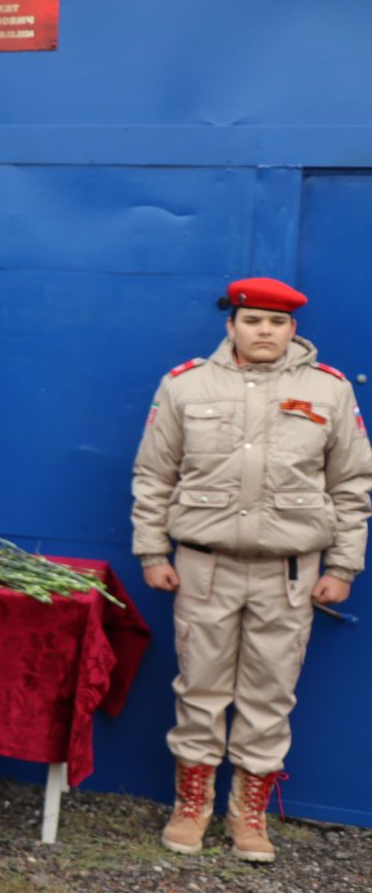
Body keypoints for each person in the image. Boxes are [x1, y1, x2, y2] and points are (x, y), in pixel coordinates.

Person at [132, 277, 371, 863]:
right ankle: (193, 806)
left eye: (277, 322)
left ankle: (249, 814)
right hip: (202, 567)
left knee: (271, 692)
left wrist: (343, 565)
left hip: (289, 572)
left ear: (294, 329)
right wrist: (152, 552)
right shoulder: (186, 385)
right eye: (253, 321)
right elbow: (154, 475)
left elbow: (351, 486)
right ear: (230, 326)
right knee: (200, 687)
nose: (265, 331)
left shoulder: (330, 390)